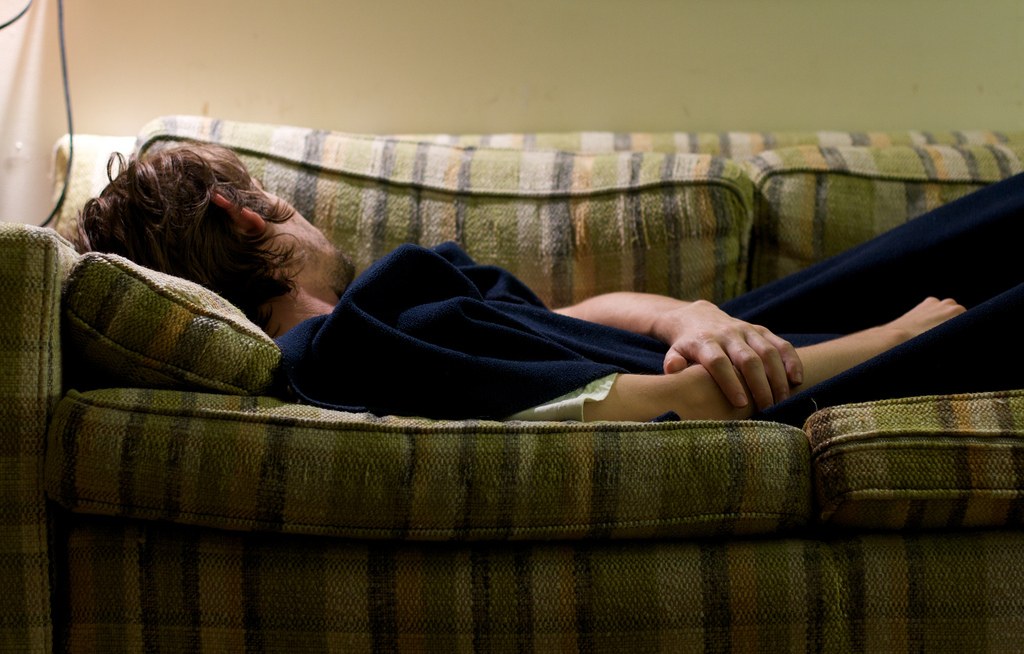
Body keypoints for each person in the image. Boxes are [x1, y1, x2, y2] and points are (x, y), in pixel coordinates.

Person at [77, 142, 1024, 425]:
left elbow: (578, 321)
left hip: (741, 342)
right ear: (248, 218)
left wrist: (693, 311)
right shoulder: (341, 350)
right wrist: (896, 340)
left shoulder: (383, 319)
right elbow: (669, 407)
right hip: (774, 391)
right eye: (282, 201)